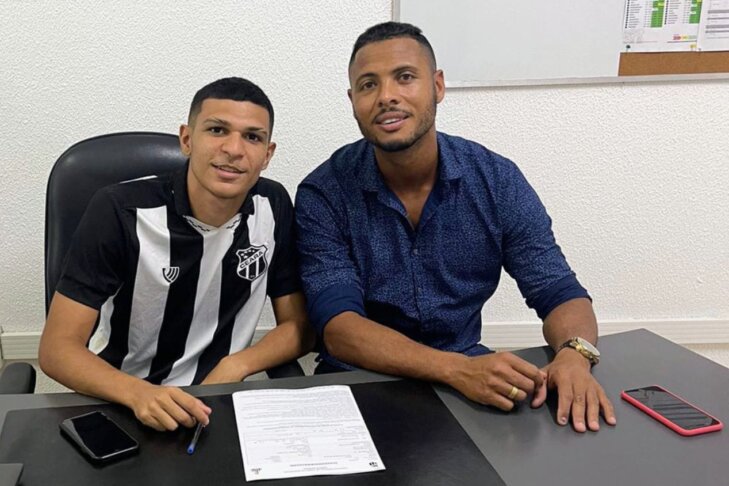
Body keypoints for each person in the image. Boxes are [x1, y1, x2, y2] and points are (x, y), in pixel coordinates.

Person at [295, 22, 616, 433]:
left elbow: (558, 290)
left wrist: (574, 353)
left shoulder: (496, 180)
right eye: (368, 85)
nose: (386, 96)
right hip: (360, 381)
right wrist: (457, 369)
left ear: (438, 86)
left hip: (469, 385)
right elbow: (340, 328)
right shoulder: (324, 192)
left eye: (405, 77)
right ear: (353, 101)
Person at [40, 77, 314, 431]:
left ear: (268, 154)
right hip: (123, 399)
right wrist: (139, 394)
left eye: (252, 137)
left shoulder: (273, 205)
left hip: (214, 404)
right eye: (217, 130)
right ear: (187, 139)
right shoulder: (119, 210)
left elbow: (299, 327)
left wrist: (237, 365)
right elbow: (57, 349)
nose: (234, 149)